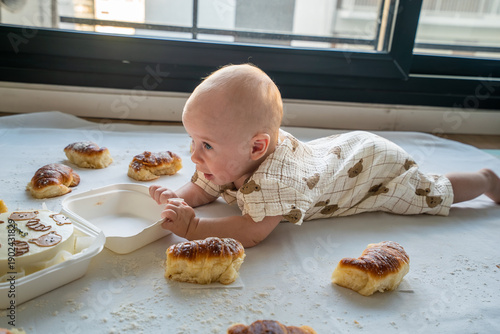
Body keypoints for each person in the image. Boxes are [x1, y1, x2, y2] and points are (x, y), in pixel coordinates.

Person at [150, 63, 500, 248]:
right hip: (341, 154)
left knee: (428, 192)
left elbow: (251, 232)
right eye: (192, 141)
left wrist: (193, 227)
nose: (194, 156)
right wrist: (174, 201)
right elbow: (202, 189)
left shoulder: (276, 180)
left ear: (257, 147)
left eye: (206, 145)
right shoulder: (232, 156)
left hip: (374, 170)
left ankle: (486, 179)